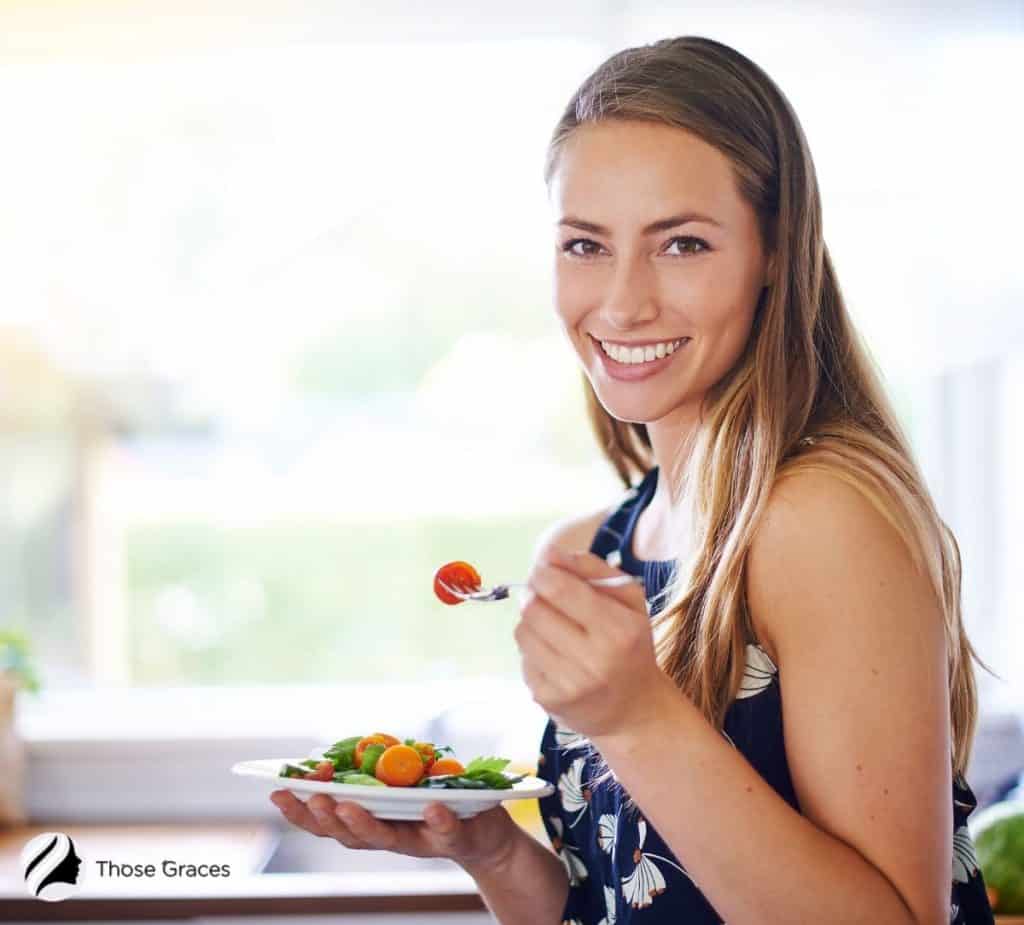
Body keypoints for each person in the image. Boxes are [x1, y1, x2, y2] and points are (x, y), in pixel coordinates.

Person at [269, 35, 997, 924]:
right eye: (585, 244)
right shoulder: (593, 547)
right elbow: (614, 905)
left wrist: (636, 717)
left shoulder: (820, 515)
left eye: (681, 243)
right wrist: (491, 850)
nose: (620, 302)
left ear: (775, 251)